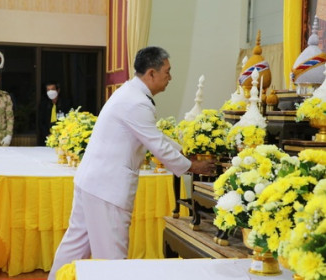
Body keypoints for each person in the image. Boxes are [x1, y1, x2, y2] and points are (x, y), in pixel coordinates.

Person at [48, 46, 216, 279]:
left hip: (93, 182)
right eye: (167, 71)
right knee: (112, 259)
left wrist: (184, 152)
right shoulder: (137, 102)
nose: (170, 77)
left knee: (75, 245)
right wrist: (191, 166)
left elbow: (153, 135)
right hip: (106, 189)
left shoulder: (130, 93)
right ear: (151, 73)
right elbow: (156, 143)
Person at [38, 81, 70, 145]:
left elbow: (69, 119)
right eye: (48, 90)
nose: (50, 92)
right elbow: (41, 122)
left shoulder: (65, 103)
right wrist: (47, 134)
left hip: (63, 137)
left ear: (58, 90)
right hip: (47, 137)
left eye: (52, 89)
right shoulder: (44, 104)